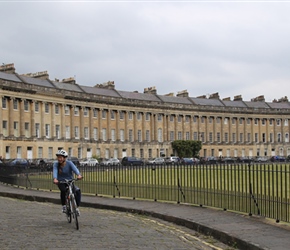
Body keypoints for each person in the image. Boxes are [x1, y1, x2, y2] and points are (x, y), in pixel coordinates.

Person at [53, 149, 82, 214]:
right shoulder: (56, 164)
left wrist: (79, 175)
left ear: (64, 158)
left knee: (77, 192)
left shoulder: (69, 163)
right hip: (61, 182)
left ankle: (76, 207)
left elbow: (75, 169)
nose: (59, 159)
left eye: (60, 157)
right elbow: (55, 171)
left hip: (70, 181)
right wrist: (55, 178)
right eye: (58, 157)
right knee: (63, 190)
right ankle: (64, 206)